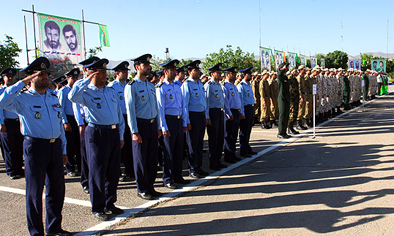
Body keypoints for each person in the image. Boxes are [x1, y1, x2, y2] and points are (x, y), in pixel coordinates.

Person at [0, 57, 71, 235]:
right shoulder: (23, 98)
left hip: (55, 147)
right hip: (35, 147)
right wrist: (22, 81)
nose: (46, 77)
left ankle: (54, 228)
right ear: (31, 77)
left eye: (47, 74)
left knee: (56, 189)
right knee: (34, 191)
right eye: (41, 74)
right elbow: (2, 102)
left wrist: (63, 149)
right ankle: (36, 232)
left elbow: (59, 123)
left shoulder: (53, 96)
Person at [69, 58, 125, 221]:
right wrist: (86, 78)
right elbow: (72, 96)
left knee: (113, 171)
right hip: (96, 133)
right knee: (98, 172)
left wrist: (120, 135)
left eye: (104, 72)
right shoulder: (86, 93)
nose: (103, 75)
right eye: (99, 72)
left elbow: (118, 114)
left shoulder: (110, 91)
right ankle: (98, 207)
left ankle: (110, 203)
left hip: (113, 133)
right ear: (92, 73)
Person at [124, 54, 162, 200]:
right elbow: (130, 110)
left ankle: (151, 186)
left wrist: (158, 126)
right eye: (145, 65)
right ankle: (142, 189)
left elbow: (156, 108)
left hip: (152, 125)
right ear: (137, 67)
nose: (148, 67)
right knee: (140, 159)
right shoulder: (132, 86)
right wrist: (134, 131)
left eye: (148, 65)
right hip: (141, 125)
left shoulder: (151, 85)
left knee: (152, 158)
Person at [156, 59, 188, 189]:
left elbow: (182, 106)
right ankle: (167, 178)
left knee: (178, 150)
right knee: (168, 151)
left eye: (175, 70)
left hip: (178, 120)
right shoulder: (160, 88)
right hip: (168, 120)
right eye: (172, 70)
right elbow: (160, 109)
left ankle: (177, 175)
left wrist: (184, 121)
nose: (175, 72)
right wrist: (163, 127)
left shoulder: (177, 86)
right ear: (165, 72)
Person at [181, 60, 209, 178]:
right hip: (192, 116)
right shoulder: (187, 85)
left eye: (198, 70)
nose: (198, 72)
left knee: (199, 144)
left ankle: (199, 167)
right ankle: (192, 169)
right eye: (195, 70)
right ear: (189, 72)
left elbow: (204, 102)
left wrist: (206, 116)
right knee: (192, 144)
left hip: (201, 115)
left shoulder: (200, 84)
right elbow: (185, 105)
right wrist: (186, 121)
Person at [108, 61, 134, 182]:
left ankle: (130, 171)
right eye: (123, 72)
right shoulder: (112, 87)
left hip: (129, 117)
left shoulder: (129, 85)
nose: (126, 73)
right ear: (117, 73)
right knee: (118, 146)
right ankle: (117, 172)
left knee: (129, 145)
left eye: (126, 71)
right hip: (118, 118)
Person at [0, 68, 24, 180]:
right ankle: (11, 170)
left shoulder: (16, 91)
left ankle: (19, 169)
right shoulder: (1, 91)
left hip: (17, 122)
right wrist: (1, 123)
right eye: (8, 76)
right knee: (9, 148)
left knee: (19, 146)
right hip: (7, 122)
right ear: (3, 78)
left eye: (12, 76)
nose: (10, 78)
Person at [58, 68, 82, 177]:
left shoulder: (79, 90)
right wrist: (65, 122)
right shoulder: (64, 91)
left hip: (78, 119)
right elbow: (60, 108)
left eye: (77, 77)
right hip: (69, 119)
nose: (75, 79)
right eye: (73, 78)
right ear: (67, 78)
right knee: (70, 145)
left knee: (79, 145)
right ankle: (70, 167)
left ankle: (81, 167)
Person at [204, 63, 228, 170]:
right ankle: (213, 161)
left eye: (220, 72)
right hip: (213, 113)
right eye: (218, 72)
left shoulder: (219, 85)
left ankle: (218, 159)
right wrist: (207, 116)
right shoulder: (209, 85)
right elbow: (207, 102)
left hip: (220, 112)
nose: (220, 74)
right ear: (212, 74)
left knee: (220, 137)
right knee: (213, 138)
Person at [222, 67, 242, 163]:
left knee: (234, 135)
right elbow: (225, 102)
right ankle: (228, 155)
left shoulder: (234, 86)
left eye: (234, 74)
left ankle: (233, 154)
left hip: (236, 112)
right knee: (228, 135)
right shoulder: (225, 86)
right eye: (232, 74)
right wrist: (228, 113)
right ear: (227, 75)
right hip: (230, 113)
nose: (234, 76)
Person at [237, 67, 257, 157]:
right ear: (244, 75)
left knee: (248, 130)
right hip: (245, 108)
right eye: (249, 74)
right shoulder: (241, 85)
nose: (251, 75)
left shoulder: (249, 84)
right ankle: (243, 150)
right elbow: (240, 101)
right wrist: (242, 113)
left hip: (250, 108)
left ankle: (247, 147)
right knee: (244, 131)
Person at [277, 62, 291, 139]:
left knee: (286, 115)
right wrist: (282, 69)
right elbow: (279, 74)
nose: (287, 68)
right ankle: (280, 132)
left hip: (286, 98)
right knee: (282, 116)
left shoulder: (285, 78)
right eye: (286, 67)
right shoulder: (280, 77)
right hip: (281, 98)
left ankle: (284, 132)